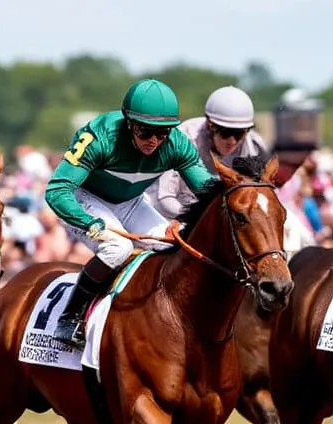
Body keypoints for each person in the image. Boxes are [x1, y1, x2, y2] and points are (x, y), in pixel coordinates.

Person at [44, 78, 217, 347]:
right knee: (118, 248)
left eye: (162, 133)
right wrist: (89, 222)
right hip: (86, 198)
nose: (154, 141)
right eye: (145, 132)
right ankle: (69, 316)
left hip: (131, 202)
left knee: (179, 245)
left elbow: (210, 193)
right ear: (128, 123)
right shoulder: (99, 137)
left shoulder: (177, 144)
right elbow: (57, 190)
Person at [153, 85, 270, 219]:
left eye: (239, 134)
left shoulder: (253, 145)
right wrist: (203, 217)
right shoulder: (183, 138)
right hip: (169, 214)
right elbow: (165, 199)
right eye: (226, 133)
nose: (232, 141)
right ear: (210, 125)